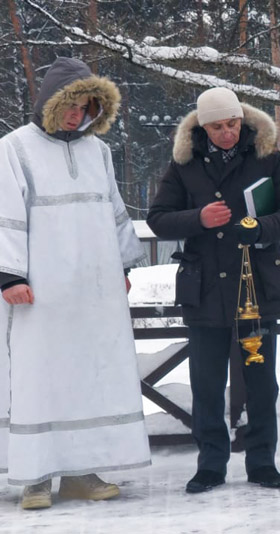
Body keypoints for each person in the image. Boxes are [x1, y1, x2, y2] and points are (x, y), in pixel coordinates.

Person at [0, 57, 151, 510]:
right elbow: (5, 216)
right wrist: (10, 275)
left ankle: (83, 472)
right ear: (51, 100)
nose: (77, 114)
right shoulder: (14, 148)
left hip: (94, 291)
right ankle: (35, 478)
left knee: (92, 376)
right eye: (71, 104)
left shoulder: (96, 151)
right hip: (39, 292)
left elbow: (114, 212)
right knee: (39, 379)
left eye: (87, 106)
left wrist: (122, 268)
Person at [147, 87, 280, 494]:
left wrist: (263, 228)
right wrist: (198, 218)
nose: (227, 133)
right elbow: (159, 219)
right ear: (203, 127)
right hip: (205, 290)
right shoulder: (184, 164)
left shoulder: (268, 156)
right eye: (217, 126)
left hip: (256, 288)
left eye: (233, 123)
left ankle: (262, 463)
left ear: (242, 120)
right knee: (206, 381)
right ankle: (211, 465)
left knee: (261, 381)